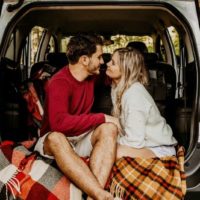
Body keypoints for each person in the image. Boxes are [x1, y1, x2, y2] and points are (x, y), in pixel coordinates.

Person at [34, 34, 121, 200]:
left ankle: (93, 196)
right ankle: (101, 195)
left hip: (79, 137)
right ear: (84, 60)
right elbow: (59, 124)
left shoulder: (92, 76)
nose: (103, 62)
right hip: (54, 141)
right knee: (57, 137)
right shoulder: (59, 83)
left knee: (109, 128)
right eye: (99, 57)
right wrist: (102, 117)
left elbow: (112, 76)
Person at [106, 47, 177, 159]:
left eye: (113, 63)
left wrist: (110, 143)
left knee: (107, 153)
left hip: (158, 148)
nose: (107, 63)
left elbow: (134, 141)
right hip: (143, 145)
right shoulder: (117, 88)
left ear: (125, 69)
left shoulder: (134, 94)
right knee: (104, 149)